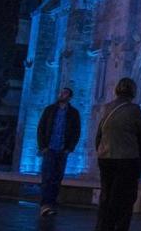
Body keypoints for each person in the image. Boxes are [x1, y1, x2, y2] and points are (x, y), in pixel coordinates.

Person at [94, 78, 141, 231]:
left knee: (106, 194)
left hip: (105, 158)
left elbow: (99, 135)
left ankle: (103, 226)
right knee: (125, 198)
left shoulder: (107, 108)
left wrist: (101, 151)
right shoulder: (134, 110)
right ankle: (120, 227)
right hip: (127, 160)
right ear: (133, 92)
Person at [37, 87, 81, 216]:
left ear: (69, 97)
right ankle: (45, 204)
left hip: (62, 150)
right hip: (49, 149)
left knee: (57, 177)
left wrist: (69, 148)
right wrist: (42, 147)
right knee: (47, 177)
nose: (61, 94)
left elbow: (76, 132)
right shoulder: (50, 110)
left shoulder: (73, 113)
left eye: (65, 93)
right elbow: (41, 128)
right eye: (61, 92)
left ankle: (52, 203)